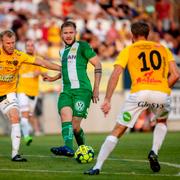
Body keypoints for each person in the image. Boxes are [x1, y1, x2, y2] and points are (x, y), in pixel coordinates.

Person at [84, 21, 180, 175]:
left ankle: (97, 167)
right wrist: (162, 88)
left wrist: (107, 99)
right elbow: (176, 74)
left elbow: (115, 74)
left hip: (139, 93)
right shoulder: (163, 49)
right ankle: (154, 151)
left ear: (132, 36)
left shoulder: (128, 49)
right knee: (162, 121)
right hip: (161, 93)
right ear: (148, 34)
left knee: (118, 130)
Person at [0, 30, 60, 162]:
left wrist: (61, 68)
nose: (11, 45)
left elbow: (42, 63)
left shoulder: (19, 56)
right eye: (7, 43)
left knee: (15, 116)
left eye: (13, 42)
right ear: (2, 43)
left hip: (7, 94)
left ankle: (15, 154)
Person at [43, 21, 102, 157]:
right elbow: (66, 70)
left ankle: (82, 147)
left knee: (75, 126)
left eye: (71, 32)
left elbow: (97, 64)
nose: (68, 35)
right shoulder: (62, 51)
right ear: (61, 35)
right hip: (66, 91)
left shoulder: (83, 46)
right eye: (65, 33)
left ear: (75, 33)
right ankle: (68, 148)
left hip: (82, 91)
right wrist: (54, 78)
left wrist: (96, 88)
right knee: (65, 115)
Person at [16, 39, 47, 146]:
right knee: (24, 116)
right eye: (27, 45)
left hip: (33, 93)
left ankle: (27, 129)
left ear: (34, 47)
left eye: (31, 45)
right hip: (22, 91)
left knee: (29, 115)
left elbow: (45, 75)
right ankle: (26, 136)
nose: (29, 47)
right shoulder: (21, 59)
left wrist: (41, 73)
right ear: (25, 47)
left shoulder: (39, 60)